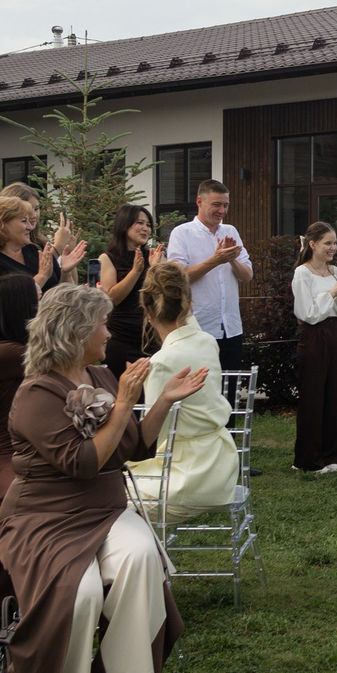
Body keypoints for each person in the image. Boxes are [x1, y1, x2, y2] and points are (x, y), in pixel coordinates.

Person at [0, 283, 210, 673]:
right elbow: (84, 462)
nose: (109, 333)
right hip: (44, 518)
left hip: (103, 508)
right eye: (102, 324)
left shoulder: (103, 376)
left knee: (141, 557)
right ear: (76, 330)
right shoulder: (35, 395)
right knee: (83, 590)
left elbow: (135, 444)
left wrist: (164, 400)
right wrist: (126, 402)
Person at [127, 261, 239, 519]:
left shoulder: (162, 362)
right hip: (222, 465)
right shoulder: (207, 342)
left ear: (148, 312)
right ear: (189, 305)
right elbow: (189, 322)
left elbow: (150, 441)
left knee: (102, 492)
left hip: (187, 476)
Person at [164, 180, 254, 371]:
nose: (222, 211)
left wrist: (231, 259)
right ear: (199, 202)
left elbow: (247, 276)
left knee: (230, 391)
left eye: (225, 205)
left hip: (231, 328)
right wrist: (215, 260)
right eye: (216, 204)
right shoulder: (182, 233)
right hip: (198, 329)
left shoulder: (231, 231)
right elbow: (177, 278)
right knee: (201, 392)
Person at [0, 274, 40, 510]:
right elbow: (61, 360)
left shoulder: (19, 350)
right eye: (40, 299)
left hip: (38, 448)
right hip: (8, 453)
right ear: (23, 306)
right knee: (21, 502)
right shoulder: (2, 353)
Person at [291, 221, 337, 474]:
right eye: (327, 243)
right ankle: (307, 460)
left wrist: (334, 296)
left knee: (335, 395)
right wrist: (333, 295)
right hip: (313, 337)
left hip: (335, 333)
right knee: (313, 396)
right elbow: (308, 313)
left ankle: (330, 455)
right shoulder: (302, 273)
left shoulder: (336, 272)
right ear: (312, 244)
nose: (332, 248)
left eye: (335, 243)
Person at [0, 193, 81, 311]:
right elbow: (6, 304)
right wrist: (41, 276)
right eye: (24, 221)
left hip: (49, 327)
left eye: (29, 221)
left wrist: (66, 272)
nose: (30, 227)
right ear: (2, 225)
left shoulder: (35, 251)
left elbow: (66, 297)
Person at [96, 204, 155, 379]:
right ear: (124, 225)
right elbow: (112, 298)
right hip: (121, 338)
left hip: (151, 338)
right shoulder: (107, 258)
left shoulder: (153, 256)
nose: (145, 228)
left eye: (148, 225)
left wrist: (158, 268)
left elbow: (165, 296)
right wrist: (136, 271)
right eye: (140, 223)